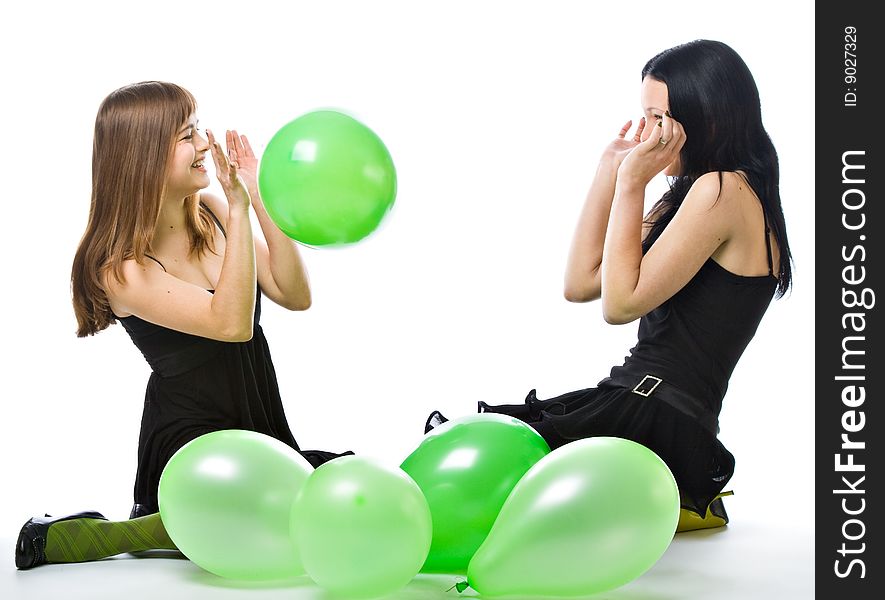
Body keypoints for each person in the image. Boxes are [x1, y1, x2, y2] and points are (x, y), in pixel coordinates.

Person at [426, 40, 792, 531]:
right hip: (632, 398)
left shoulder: (723, 191)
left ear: (705, 119)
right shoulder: (692, 197)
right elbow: (581, 283)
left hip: (657, 415)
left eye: (660, 117)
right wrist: (609, 171)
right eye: (646, 116)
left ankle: (678, 494)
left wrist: (632, 185)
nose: (651, 134)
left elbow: (619, 305)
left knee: (480, 481)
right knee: (468, 454)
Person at [16, 81, 352, 569]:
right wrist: (237, 207)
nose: (204, 146)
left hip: (255, 412)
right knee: (251, 513)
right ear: (144, 155)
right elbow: (233, 323)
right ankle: (117, 533)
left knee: (326, 486)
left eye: (198, 128)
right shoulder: (123, 268)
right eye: (186, 135)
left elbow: (295, 295)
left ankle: (168, 527)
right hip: (189, 432)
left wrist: (257, 195)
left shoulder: (212, 215)